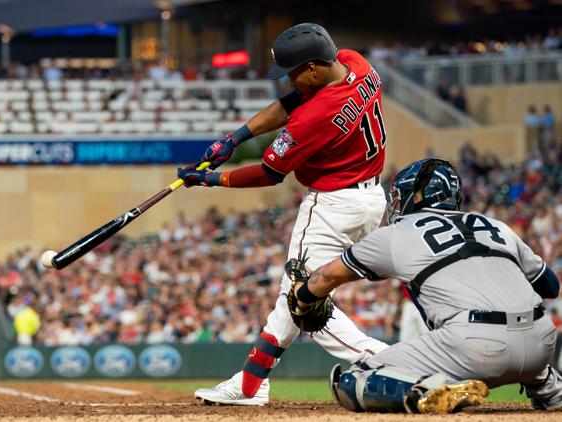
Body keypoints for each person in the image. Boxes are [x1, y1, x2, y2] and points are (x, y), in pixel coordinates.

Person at [179, 22, 390, 405]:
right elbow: (292, 102)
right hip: (371, 197)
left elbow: (270, 173)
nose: (290, 81)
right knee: (291, 299)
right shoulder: (354, 63)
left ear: (313, 68)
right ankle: (250, 382)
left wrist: (209, 179)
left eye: (294, 72)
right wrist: (236, 137)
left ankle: (391, 362)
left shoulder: (317, 116)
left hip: (332, 206)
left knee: (302, 300)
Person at [286, 158, 562, 413]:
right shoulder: (495, 225)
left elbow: (327, 277)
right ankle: (550, 388)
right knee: (521, 336)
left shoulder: (396, 234)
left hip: (474, 348)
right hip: (541, 343)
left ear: (416, 196)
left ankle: (428, 390)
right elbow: (549, 286)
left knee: (351, 379)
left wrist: (304, 296)